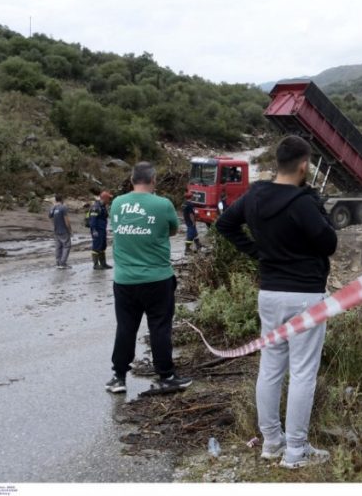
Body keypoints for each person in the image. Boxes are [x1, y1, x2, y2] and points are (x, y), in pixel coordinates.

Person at [216, 136, 337, 469]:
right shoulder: (302, 203)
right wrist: (318, 206)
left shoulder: (255, 195)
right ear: (303, 166)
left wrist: (259, 253)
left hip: (269, 294)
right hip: (305, 298)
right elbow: (329, 243)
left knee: (270, 368)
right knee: (302, 373)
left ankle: (271, 443)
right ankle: (296, 451)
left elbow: (225, 223)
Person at [105, 162, 191, 395]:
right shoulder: (163, 204)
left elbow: (117, 227)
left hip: (124, 280)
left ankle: (118, 377)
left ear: (132, 180)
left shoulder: (117, 203)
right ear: (153, 180)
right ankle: (166, 376)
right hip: (157, 278)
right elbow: (172, 230)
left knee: (125, 328)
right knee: (160, 328)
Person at [88, 190, 113, 270]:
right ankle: (95, 264)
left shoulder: (103, 206)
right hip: (97, 230)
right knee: (96, 246)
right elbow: (93, 220)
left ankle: (103, 263)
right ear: (105, 198)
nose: (109, 200)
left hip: (102, 229)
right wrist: (94, 230)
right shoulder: (96, 207)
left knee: (103, 246)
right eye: (108, 198)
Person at [48, 194, 72, 269]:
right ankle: (63, 263)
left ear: (55, 200)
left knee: (58, 247)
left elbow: (50, 217)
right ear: (62, 199)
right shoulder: (63, 208)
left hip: (56, 230)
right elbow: (66, 220)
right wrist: (70, 230)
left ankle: (58, 262)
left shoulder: (53, 208)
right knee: (66, 246)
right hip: (63, 230)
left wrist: (54, 226)